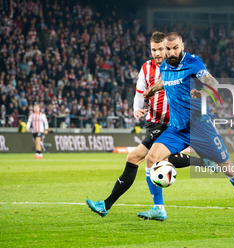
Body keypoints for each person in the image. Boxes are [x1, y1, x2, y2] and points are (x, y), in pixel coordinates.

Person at [86, 32, 213, 221]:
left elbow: (200, 84)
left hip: (170, 123)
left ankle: (109, 205)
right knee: (160, 159)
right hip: (153, 121)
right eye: (154, 50)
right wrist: (137, 109)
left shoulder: (178, 65)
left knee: (137, 157)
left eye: (161, 49)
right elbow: (139, 92)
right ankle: (204, 163)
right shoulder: (146, 68)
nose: (158, 53)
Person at [143, 32, 234, 228]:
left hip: (200, 126)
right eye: (168, 49)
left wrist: (201, 91)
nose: (171, 52)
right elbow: (165, 81)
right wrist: (154, 89)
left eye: (175, 47)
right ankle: (159, 209)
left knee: (226, 167)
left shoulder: (193, 62)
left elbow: (214, 83)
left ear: (182, 46)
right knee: (151, 158)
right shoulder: (164, 66)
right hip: (177, 128)